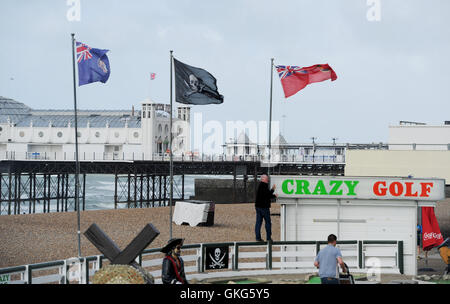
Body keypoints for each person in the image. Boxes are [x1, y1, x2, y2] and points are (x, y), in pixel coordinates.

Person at [254, 174, 277, 242]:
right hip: (264, 207)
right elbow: (268, 195)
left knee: (258, 222)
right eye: (266, 178)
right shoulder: (264, 186)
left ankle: (258, 238)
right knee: (268, 223)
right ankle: (268, 238)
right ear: (263, 179)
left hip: (258, 207)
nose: (268, 180)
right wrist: (273, 192)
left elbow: (265, 195)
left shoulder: (260, 186)